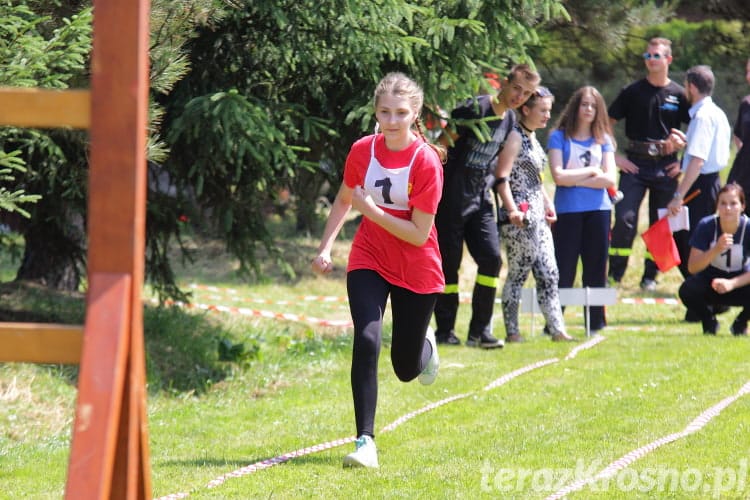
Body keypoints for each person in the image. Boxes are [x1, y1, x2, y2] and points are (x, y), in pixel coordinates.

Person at [311, 72, 446, 468]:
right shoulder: (361, 151)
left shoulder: (426, 162)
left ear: (415, 113)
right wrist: (325, 247)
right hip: (369, 257)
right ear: (375, 112)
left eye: (401, 113)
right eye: (385, 112)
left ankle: (425, 346)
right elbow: (342, 199)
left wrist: (371, 210)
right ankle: (364, 442)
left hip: (417, 265)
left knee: (405, 369)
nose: (392, 120)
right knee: (366, 339)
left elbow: (419, 234)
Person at [433, 64, 540, 348]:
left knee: (492, 260)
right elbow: (440, 149)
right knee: (448, 268)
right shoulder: (473, 110)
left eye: (526, 93)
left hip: (480, 199)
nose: (519, 96)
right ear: (504, 83)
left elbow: (496, 166)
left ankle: (480, 332)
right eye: (517, 88)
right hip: (450, 198)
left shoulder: (508, 122)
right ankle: (445, 331)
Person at [608, 37, 691, 291]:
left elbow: (696, 133)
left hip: (666, 167)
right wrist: (614, 157)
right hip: (635, 164)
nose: (651, 60)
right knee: (625, 218)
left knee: (661, 223)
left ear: (668, 59)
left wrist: (684, 158)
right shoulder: (631, 92)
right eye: (648, 56)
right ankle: (614, 275)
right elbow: (606, 124)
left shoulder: (679, 94)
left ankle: (650, 277)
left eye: (656, 56)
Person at [495, 87, 575, 343]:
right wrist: (511, 210)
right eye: (542, 110)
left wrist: (548, 203)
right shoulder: (515, 138)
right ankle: (513, 331)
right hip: (519, 217)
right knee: (518, 273)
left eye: (549, 110)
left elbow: (536, 180)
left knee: (550, 272)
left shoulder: (533, 138)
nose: (547, 115)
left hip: (538, 216)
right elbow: (501, 178)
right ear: (526, 110)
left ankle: (557, 329)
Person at [548, 86, 618, 336]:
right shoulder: (558, 137)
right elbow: (558, 176)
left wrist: (575, 179)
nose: (588, 109)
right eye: (584, 104)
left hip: (599, 210)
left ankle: (596, 323)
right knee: (564, 268)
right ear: (575, 107)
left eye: (593, 105)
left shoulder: (604, 140)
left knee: (596, 267)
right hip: (567, 211)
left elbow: (610, 179)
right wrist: (591, 172)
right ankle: (554, 323)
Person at [667, 65, 731, 280]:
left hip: (700, 186)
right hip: (711, 183)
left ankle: (700, 298)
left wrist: (678, 196)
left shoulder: (702, 117)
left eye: (686, 86)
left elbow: (698, 161)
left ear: (692, 87)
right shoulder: (717, 113)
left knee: (693, 242)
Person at [678, 183, 750, 335]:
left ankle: (741, 323)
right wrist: (715, 249)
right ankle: (708, 321)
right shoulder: (706, 225)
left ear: (742, 206)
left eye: (733, 203)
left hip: (740, 282)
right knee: (687, 290)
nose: (727, 208)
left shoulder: (748, 228)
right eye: (723, 203)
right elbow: (692, 267)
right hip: (712, 281)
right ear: (717, 205)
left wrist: (731, 283)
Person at [727, 57, 750, 215]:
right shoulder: (746, 104)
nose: (748, 76)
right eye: (748, 71)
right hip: (743, 177)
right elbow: (738, 134)